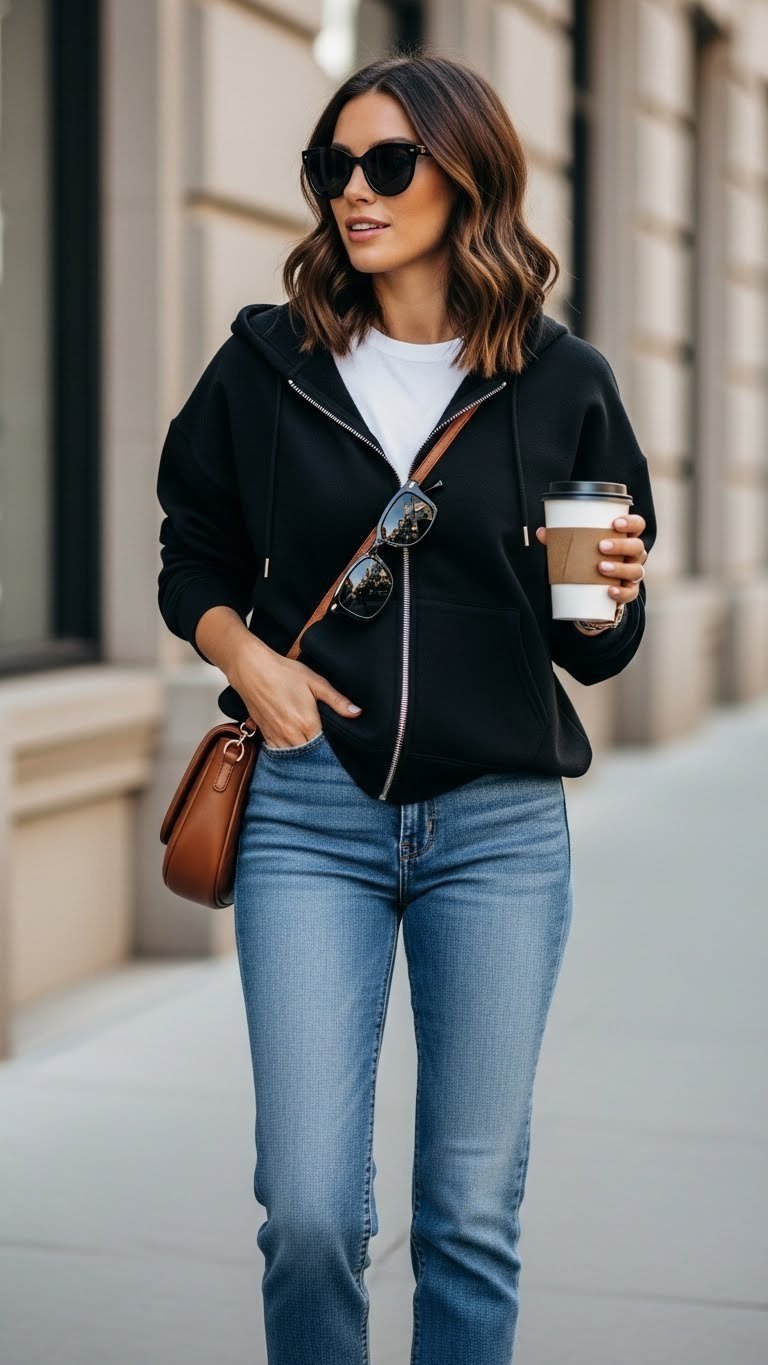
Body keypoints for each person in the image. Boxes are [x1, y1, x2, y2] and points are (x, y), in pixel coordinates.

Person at [156, 53, 655, 1365]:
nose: (355, 194)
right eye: (334, 168)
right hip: (310, 815)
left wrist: (610, 592)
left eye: (389, 164)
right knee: (314, 1210)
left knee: (471, 1214)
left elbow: (593, 650)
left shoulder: (562, 383)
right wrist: (247, 658)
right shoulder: (271, 363)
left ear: (468, 175)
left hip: (496, 828)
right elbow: (191, 553)